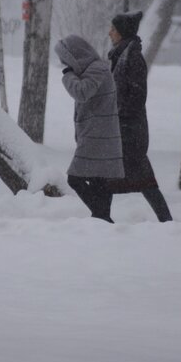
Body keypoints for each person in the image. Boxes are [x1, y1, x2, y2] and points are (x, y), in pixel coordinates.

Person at [107, 11, 173, 222]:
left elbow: (137, 96)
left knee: (142, 180)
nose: (110, 33)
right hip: (125, 129)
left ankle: (100, 219)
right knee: (118, 177)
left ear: (122, 32)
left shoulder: (132, 57)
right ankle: (100, 218)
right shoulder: (122, 54)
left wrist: (120, 115)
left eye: (113, 29)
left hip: (130, 131)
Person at [55, 34, 124, 223]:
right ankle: (102, 219)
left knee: (75, 178)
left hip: (99, 136)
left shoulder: (97, 69)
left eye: (65, 59)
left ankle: (102, 217)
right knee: (99, 180)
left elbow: (81, 92)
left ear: (75, 55)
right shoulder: (93, 69)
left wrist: (68, 74)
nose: (63, 63)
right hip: (98, 135)